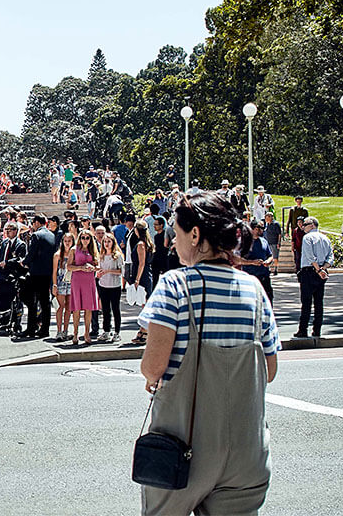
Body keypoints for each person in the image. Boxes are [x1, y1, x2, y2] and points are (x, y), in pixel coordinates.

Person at [138, 190, 279, 515]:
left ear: (196, 234)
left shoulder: (174, 285)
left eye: (177, 231)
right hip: (247, 450)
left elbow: (153, 367)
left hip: (183, 446)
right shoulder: (254, 290)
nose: (173, 240)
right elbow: (269, 370)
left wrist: (152, 376)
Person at [296, 216, 333, 338]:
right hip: (321, 271)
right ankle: (317, 329)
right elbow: (330, 257)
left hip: (309, 271)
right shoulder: (325, 238)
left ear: (312, 225)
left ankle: (303, 329)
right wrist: (323, 269)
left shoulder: (307, 237)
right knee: (318, 302)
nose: (302, 227)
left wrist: (318, 269)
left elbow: (310, 256)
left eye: (305, 224)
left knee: (306, 302)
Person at [21, 214, 56, 339]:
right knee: (45, 302)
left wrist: (24, 262)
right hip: (47, 272)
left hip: (36, 272)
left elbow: (32, 253)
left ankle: (31, 328)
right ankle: (44, 329)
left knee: (32, 302)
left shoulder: (36, 235)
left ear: (36, 222)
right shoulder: (52, 235)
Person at [67, 231, 99, 347]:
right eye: (83, 237)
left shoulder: (93, 250)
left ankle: (86, 333)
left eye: (87, 238)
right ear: (79, 238)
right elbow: (68, 266)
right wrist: (80, 267)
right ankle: (75, 333)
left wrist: (92, 267)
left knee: (88, 308)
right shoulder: (74, 249)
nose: (85, 240)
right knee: (76, 308)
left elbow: (98, 266)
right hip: (77, 279)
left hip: (89, 280)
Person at [95, 232, 123, 343]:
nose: (107, 244)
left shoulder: (117, 256)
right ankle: (106, 330)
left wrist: (109, 271)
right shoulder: (101, 256)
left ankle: (117, 332)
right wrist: (99, 272)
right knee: (105, 309)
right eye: (105, 242)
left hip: (115, 285)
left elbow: (121, 271)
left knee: (115, 309)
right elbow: (99, 268)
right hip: (103, 284)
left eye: (109, 242)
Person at [242, 220, 274, 303]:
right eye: (259, 228)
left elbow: (270, 255)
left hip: (264, 275)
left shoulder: (264, 241)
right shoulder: (245, 242)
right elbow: (238, 259)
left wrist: (268, 261)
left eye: (262, 228)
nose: (261, 230)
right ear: (252, 229)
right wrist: (252, 262)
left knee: (268, 298)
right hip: (249, 276)